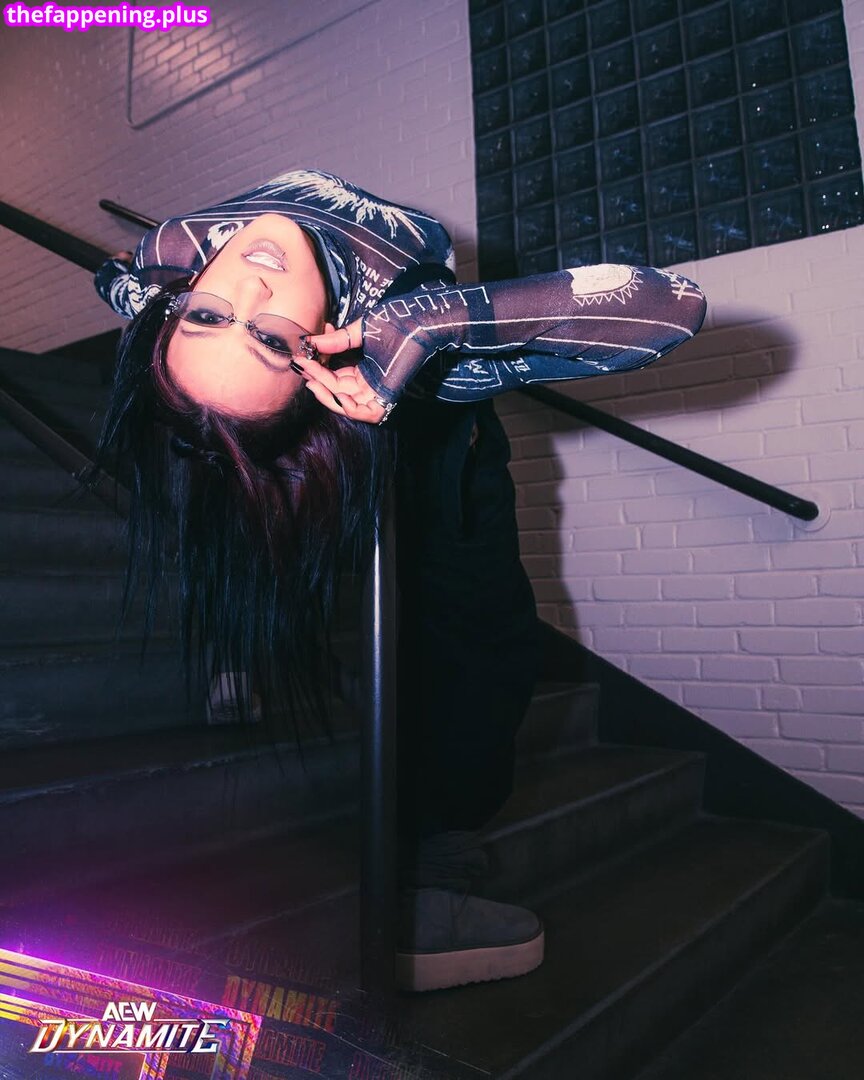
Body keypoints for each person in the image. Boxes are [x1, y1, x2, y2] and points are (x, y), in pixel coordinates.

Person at [92, 168, 706, 993]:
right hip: (414, 411)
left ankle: (261, 639)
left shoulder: (173, 252)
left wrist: (151, 303)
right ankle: (429, 878)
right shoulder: (425, 348)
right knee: (480, 634)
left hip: (396, 423)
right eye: (269, 337)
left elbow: (115, 277)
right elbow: (671, 305)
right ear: (316, 349)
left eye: (206, 316)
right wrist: (425, 324)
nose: (248, 285)